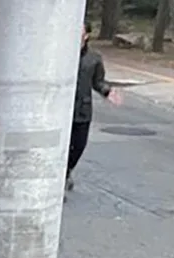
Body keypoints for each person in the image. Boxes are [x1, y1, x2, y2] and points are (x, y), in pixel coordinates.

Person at [69, 22, 121, 193]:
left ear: (86, 36)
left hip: (82, 109)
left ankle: (66, 170)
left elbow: (98, 82)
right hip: (60, 109)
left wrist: (107, 92)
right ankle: (59, 180)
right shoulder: (61, 55)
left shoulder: (94, 58)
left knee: (79, 145)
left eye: (80, 32)